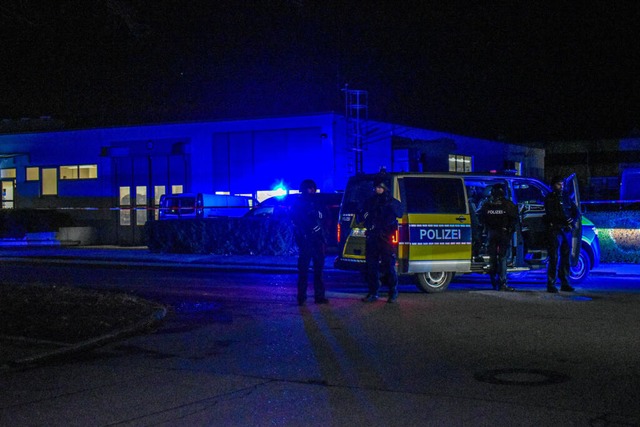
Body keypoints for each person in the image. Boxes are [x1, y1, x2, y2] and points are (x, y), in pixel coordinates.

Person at [358, 178, 403, 303]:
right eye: (376, 187)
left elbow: (399, 213)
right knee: (371, 266)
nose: (378, 189)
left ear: (385, 188)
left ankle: (393, 291)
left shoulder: (391, 202)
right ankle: (373, 292)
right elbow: (360, 216)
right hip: (372, 237)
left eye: (380, 187)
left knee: (389, 265)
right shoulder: (370, 201)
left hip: (386, 238)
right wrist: (364, 216)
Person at [290, 179, 329, 306]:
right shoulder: (298, 203)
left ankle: (319, 296)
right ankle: (301, 296)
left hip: (317, 240)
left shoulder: (318, 201)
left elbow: (326, 216)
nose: (311, 190)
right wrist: (307, 229)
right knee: (303, 270)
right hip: (306, 239)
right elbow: (295, 220)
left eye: (313, 188)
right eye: (309, 188)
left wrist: (318, 219)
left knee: (319, 270)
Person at [478, 185, 518, 291]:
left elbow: (481, 219)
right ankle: (502, 283)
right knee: (503, 258)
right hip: (503, 234)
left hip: (491, 234)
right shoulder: (508, 205)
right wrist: (510, 230)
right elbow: (514, 219)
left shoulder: (487, 205)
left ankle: (493, 281)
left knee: (493, 258)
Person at [544, 175, 580, 293]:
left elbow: (576, 212)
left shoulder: (566, 197)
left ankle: (565, 283)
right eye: (559, 184)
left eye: (562, 184)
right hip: (555, 230)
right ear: (553, 185)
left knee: (566, 257)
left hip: (566, 231)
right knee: (554, 257)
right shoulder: (549, 198)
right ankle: (551, 284)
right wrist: (565, 220)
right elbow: (551, 214)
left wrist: (572, 222)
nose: (561, 186)